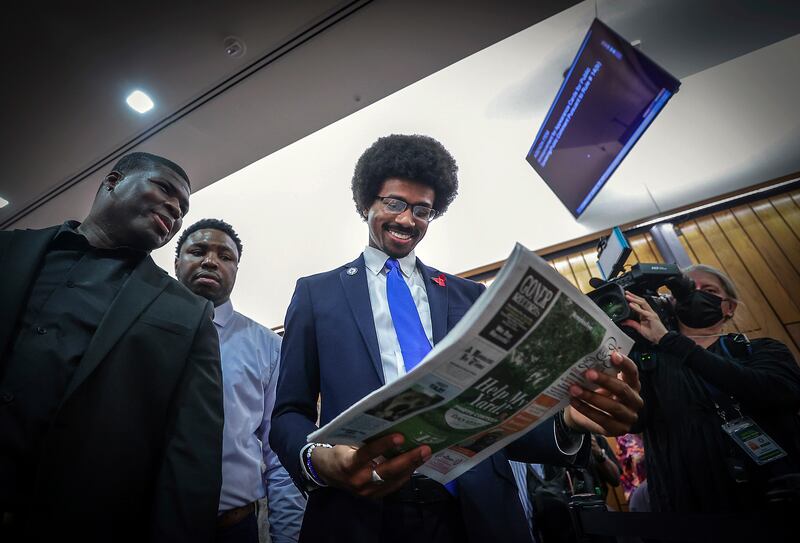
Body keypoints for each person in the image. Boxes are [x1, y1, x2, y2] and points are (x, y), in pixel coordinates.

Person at [270, 134, 643, 542]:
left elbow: (501, 415)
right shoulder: (316, 293)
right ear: (366, 204)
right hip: (360, 510)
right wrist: (319, 461)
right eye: (394, 203)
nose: (407, 220)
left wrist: (568, 421)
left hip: (474, 511)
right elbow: (289, 412)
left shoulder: (469, 296)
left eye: (423, 211)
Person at [0, 152, 224, 542]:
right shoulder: (7, 251)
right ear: (113, 181)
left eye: (183, 208)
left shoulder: (188, 314)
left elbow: (190, 460)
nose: (175, 208)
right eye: (165, 189)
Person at [623, 264, 800, 514]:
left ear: (730, 307)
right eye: (684, 290)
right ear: (670, 305)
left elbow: (782, 393)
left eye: (709, 290)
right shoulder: (650, 364)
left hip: (771, 504)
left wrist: (669, 340)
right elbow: (634, 422)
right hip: (688, 513)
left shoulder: (761, 349)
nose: (695, 294)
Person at [175, 219, 306, 543]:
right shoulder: (140, 334)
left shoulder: (268, 348)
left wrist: (287, 536)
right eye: (198, 250)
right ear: (176, 262)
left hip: (235, 528)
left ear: (236, 269)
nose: (210, 261)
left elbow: (280, 455)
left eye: (225, 256)